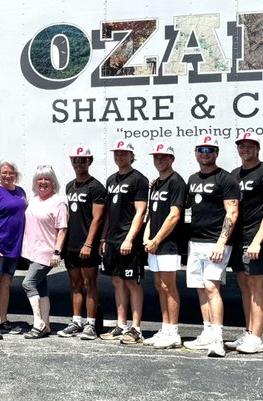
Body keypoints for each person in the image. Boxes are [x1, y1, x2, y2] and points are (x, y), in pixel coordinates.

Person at [182, 134, 241, 357]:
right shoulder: (192, 179)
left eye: (209, 150)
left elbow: (232, 212)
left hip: (215, 243)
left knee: (211, 287)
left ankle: (217, 338)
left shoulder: (226, 179)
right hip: (195, 241)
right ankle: (207, 333)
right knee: (200, 288)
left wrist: (221, 242)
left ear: (216, 153)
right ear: (196, 153)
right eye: (201, 150)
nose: (205, 154)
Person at [225, 131, 263, 355]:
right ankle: (248, 332)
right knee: (244, 287)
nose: (245, 149)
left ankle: (257, 338)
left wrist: (257, 241)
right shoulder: (234, 175)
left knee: (256, 287)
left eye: (250, 145)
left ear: (258, 148)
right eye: (242, 146)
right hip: (238, 240)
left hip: (257, 240)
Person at [100, 140, 149, 344]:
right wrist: (104, 238)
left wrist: (129, 239)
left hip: (128, 240)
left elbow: (141, 212)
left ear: (131, 156)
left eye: (123, 153)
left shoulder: (139, 179)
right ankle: (121, 325)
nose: (119, 157)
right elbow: (108, 213)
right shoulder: (111, 180)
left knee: (132, 282)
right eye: (117, 153)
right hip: (112, 239)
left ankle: (136, 328)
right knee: (117, 281)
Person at [59, 145, 107, 340]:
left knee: (90, 284)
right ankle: (76, 321)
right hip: (71, 244)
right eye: (75, 160)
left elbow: (98, 218)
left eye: (82, 160)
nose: (78, 164)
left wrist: (88, 244)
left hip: (88, 245)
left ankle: (91, 324)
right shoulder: (70, 186)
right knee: (75, 284)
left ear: (90, 161)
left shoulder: (96, 187)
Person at [142, 141, 187, 349]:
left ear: (172, 159)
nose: (159, 160)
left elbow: (174, 215)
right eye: (156, 157)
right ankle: (165, 328)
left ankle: (174, 332)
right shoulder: (156, 184)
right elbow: (152, 213)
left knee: (169, 287)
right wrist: (147, 236)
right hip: (154, 244)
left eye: (163, 157)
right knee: (159, 286)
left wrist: (157, 239)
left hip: (168, 244)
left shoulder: (176, 182)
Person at [20, 166, 68, 339]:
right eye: (39, 179)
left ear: (53, 182)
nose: (43, 182)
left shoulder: (58, 202)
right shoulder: (33, 199)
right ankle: (46, 325)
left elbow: (62, 229)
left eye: (47, 179)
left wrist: (57, 252)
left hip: (46, 252)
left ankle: (38, 322)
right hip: (31, 251)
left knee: (28, 283)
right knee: (41, 287)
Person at [0, 160, 27, 339]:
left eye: (11, 173)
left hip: (14, 246)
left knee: (7, 283)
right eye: (4, 173)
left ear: (16, 175)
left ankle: (3, 319)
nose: (7, 176)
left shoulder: (20, 192)